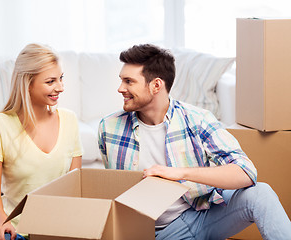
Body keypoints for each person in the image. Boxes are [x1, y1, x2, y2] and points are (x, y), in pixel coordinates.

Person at [98, 43, 291, 240]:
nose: (120, 88)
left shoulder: (197, 119)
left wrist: (180, 173)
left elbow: (246, 172)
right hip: (148, 231)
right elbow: (113, 188)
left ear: (156, 85)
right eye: (121, 80)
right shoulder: (109, 127)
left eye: (129, 81)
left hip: (199, 216)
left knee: (261, 194)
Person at [0, 43, 83, 240]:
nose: (60, 87)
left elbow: (75, 183)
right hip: (18, 230)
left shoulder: (70, 120)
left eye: (61, 78)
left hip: (60, 230)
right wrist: (1, 221)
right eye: (51, 81)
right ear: (27, 83)